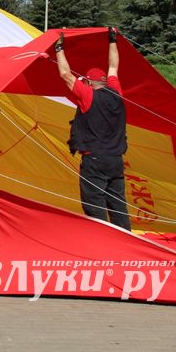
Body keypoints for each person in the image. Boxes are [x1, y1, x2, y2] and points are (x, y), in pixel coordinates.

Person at [55, 27, 132, 231]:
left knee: (94, 203)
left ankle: (102, 239)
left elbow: (65, 74)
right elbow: (114, 66)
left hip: (95, 160)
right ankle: (126, 241)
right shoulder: (116, 91)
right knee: (117, 203)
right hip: (116, 159)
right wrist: (112, 40)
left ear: (88, 83)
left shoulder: (88, 96)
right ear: (105, 82)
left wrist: (59, 49)